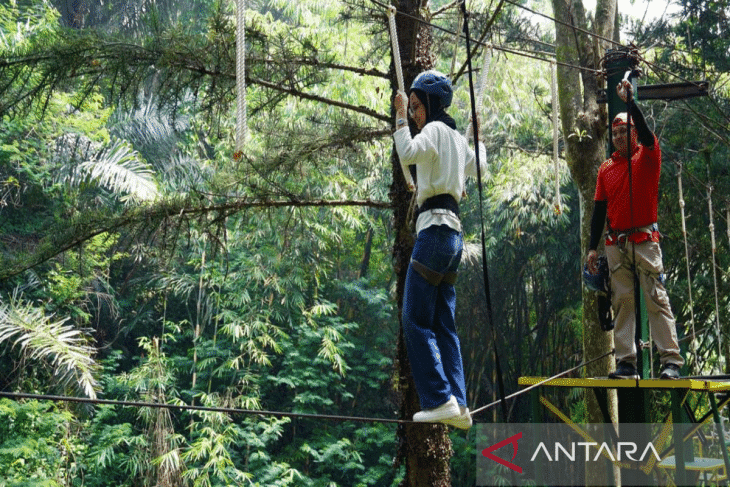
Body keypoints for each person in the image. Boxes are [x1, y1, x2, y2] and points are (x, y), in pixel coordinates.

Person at [393, 70, 486, 428]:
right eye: (412, 108)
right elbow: (481, 168)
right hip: (454, 239)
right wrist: (477, 140)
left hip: (433, 232)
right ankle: (460, 404)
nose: (415, 113)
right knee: (444, 323)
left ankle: (439, 397)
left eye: (417, 106)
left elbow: (408, 150)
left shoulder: (431, 130)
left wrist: (400, 117)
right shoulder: (457, 140)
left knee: (415, 318)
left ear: (429, 104)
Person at [586, 79, 684, 380]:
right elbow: (599, 210)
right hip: (616, 244)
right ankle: (626, 362)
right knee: (622, 302)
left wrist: (630, 104)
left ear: (633, 134)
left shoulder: (648, 156)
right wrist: (593, 247)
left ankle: (670, 361)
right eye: (614, 133)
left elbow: (645, 133)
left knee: (656, 297)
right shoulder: (606, 169)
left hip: (644, 240)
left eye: (622, 132)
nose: (617, 137)